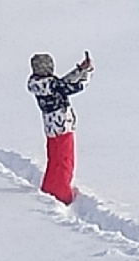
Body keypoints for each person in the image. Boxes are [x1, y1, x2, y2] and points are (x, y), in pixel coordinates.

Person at [28, 51, 93, 205]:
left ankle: (49, 188)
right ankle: (63, 193)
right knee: (65, 160)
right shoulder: (50, 83)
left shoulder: (37, 83)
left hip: (51, 127)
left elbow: (62, 83)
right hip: (62, 126)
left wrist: (79, 70)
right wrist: (87, 74)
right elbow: (73, 87)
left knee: (54, 160)